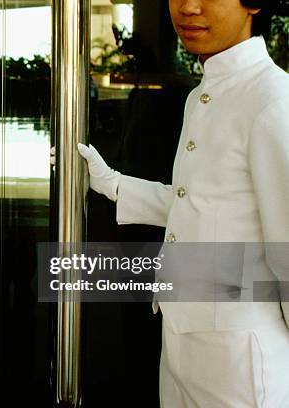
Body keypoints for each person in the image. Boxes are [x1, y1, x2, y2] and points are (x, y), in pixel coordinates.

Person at [53, 0, 289, 406]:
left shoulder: (273, 100)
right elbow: (200, 202)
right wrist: (112, 184)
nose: (188, 7)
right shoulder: (206, 93)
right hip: (185, 345)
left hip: (241, 364)